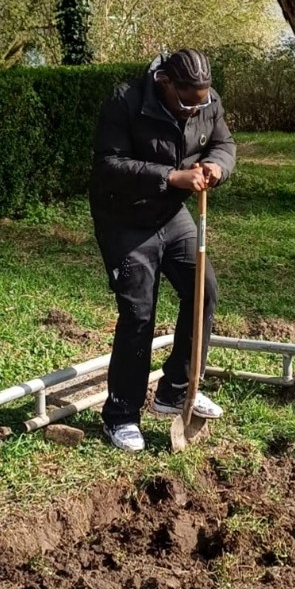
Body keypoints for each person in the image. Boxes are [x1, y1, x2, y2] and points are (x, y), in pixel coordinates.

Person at [89, 48, 236, 451]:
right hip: (125, 221)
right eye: (187, 99)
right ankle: (121, 414)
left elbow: (224, 143)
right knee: (139, 312)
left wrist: (217, 167)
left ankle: (175, 391)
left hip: (172, 216)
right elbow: (108, 166)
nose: (194, 108)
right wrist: (172, 177)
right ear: (165, 83)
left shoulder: (207, 102)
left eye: (201, 100)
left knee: (203, 290)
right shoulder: (126, 102)